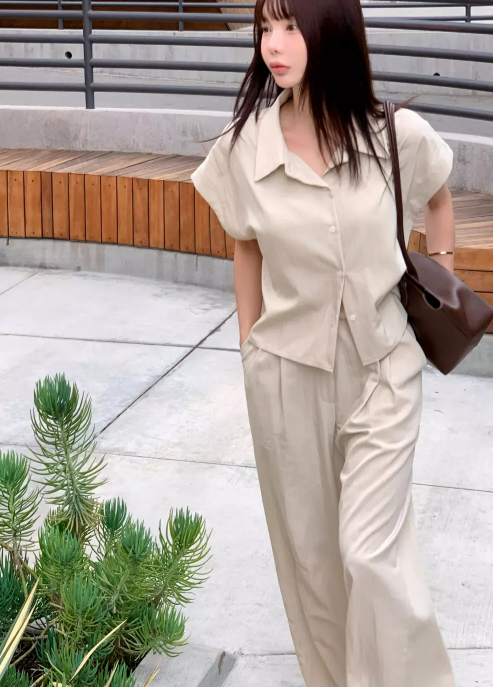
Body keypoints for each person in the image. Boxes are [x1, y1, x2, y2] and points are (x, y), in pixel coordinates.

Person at [191, 0, 456, 685]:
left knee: (370, 554)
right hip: (286, 377)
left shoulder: (391, 133)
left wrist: (443, 275)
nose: (272, 45)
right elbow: (245, 247)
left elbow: (438, 196)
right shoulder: (246, 146)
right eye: (264, 27)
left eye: (290, 26)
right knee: (312, 563)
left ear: (329, 29)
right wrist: (250, 349)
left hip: (383, 369)